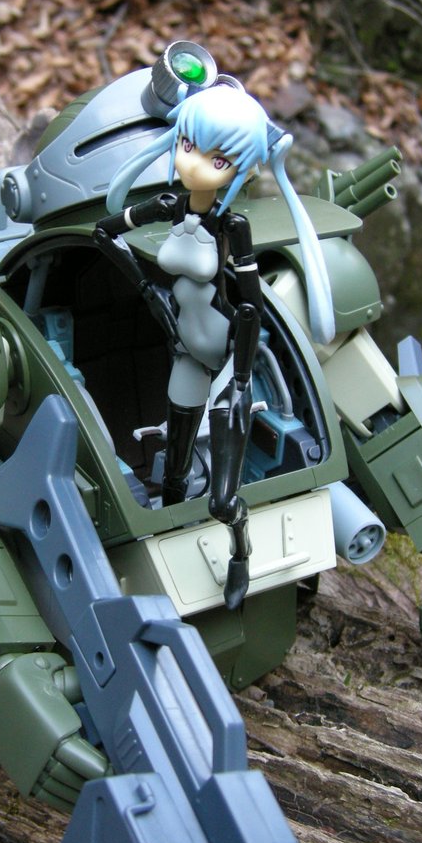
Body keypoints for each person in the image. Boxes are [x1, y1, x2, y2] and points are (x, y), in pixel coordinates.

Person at [95, 81, 335, 608]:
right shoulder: (169, 205)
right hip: (186, 346)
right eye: (187, 145)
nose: (195, 164)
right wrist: (148, 291)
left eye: (218, 159)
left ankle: (240, 555)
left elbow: (249, 306)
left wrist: (242, 378)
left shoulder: (234, 226)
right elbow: (104, 232)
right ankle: (167, 556)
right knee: (174, 472)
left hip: (227, 355)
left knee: (224, 498)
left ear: (242, 169)